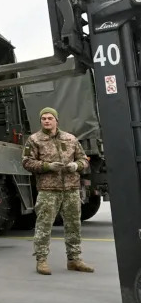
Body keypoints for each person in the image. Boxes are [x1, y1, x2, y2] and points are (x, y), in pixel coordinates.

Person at [21, 107, 94, 275]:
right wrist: (47, 166)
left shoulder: (70, 138)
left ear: (56, 120)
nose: (46, 121)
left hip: (71, 188)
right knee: (44, 226)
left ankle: (74, 259)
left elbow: (83, 159)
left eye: (50, 118)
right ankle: (42, 260)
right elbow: (26, 162)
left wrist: (76, 165)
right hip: (48, 189)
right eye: (43, 118)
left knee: (74, 225)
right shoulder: (34, 140)